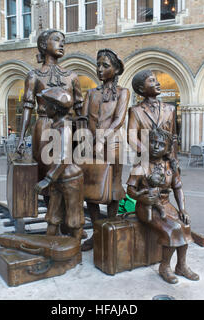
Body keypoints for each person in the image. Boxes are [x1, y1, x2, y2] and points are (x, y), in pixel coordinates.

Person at [127, 126, 199, 284]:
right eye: (152, 142)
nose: (155, 146)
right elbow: (130, 191)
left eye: (160, 144)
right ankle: (164, 266)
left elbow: (178, 188)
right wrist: (143, 199)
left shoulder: (170, 166)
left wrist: (182, 209)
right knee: (172, 229)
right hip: (146, 207)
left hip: (166, 204)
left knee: (185, 226)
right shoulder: (140, 165)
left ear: (167, 148)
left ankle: (181, 265)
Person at [16, 29, 83, 193]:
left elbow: (80, 108)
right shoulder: (34, 76)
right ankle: (50, 210)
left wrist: (83, 136)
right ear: (44, 45)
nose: (61, 44)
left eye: (63, 42)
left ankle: (63, 210)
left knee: (67, 169)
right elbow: (28, 107)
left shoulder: (72, 76)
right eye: (56, 40)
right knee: (45, 168)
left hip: (67, 126)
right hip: (44, 126)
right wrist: (21, 137)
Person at [80, 49, 130, 251]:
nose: (100, 69)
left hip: (113, 145)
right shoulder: (91, 93)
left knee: (113, 189)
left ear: (116, 69)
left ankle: (110, 228)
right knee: (90, 189)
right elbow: (83, 119)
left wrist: (102, 138)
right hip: (90, 145)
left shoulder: (123, 93)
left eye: (105, 65)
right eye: (98, 65)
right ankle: (96, 232)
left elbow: (119, 119)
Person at [34, 87, 84, 241]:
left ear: (54, 109)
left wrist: (47, 180)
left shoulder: (64, 128)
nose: (42, 108)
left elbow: (64, 157)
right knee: (53, 214)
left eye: (46, 105)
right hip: (58, 178)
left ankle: (75, 249)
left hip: (70, 179)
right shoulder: (56, 125)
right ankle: (48, 243)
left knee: (74, 216)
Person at [127, 70, 179, 169]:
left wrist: (174, 158)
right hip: (145, 162)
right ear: (141, 89)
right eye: (152, 81)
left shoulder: (170, 109)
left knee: (175, 184)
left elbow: (173, 137)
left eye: (156, 80)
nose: (158, 83)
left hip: (165, 161)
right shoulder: (136, 111)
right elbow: (131, 136)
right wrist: (147, 151)